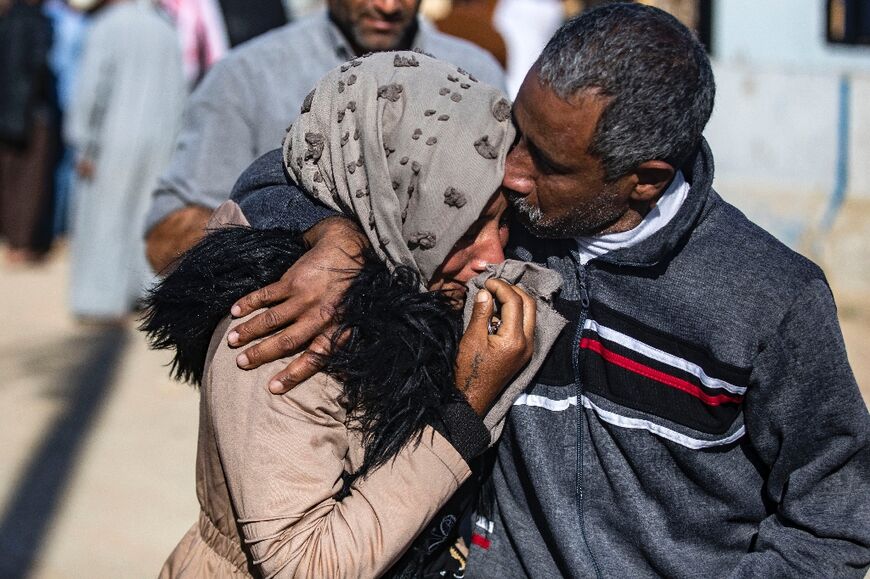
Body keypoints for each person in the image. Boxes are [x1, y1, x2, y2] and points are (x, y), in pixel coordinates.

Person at [216, 4, 870, 577]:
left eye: (547, 161)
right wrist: (334, 239)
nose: (513, 172)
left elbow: (833, 520)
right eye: (518, 134)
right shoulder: (491, 228)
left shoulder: (771, 300)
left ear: (644, 178)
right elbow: (299, 166)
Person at [144, 52, 565, 577]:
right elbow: (304, 565)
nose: (494, 259)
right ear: (398, 202)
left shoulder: (411, 271)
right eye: (466, 226)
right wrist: (465, 409)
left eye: (503, 223)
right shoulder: (292, 324)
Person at [143, 0, 507, 273]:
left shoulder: (476, 74)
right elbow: (166, 238)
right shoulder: (248, 75)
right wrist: (307, 236)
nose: (388, 5)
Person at [65, 0, 186, 321]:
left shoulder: (107, 26)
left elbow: (92, 89)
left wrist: (83, 143)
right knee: (146, 216)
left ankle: (100, 300)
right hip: (162, 137)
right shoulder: (166, 27)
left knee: (105, 217)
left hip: (113, 137)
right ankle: (144, 293)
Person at [0, 0, 57, 264]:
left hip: (9, 113)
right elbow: (35, 70)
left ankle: (14, 240)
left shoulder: (9, 19)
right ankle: (20, 245)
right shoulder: (36, 22)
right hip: (29, 115)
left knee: (10, 179)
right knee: (28, 184)